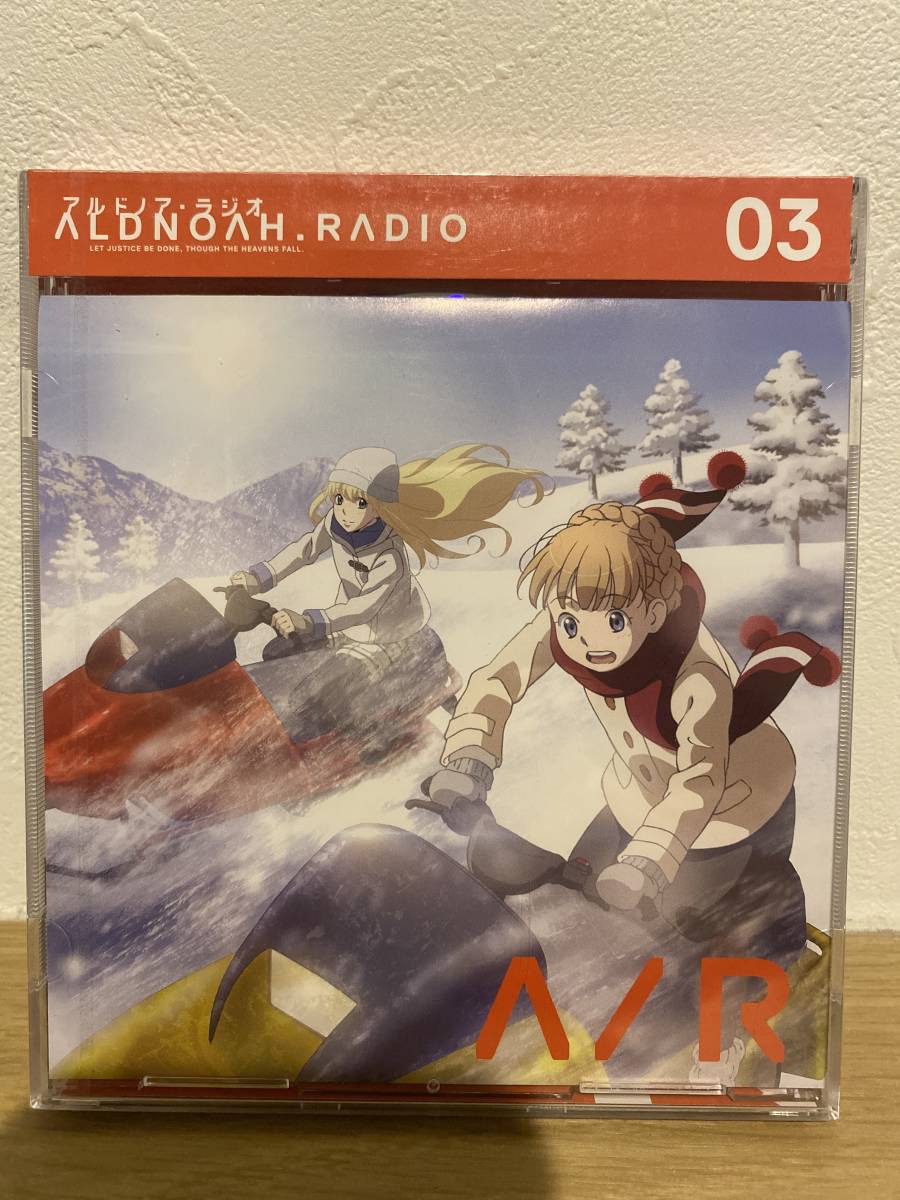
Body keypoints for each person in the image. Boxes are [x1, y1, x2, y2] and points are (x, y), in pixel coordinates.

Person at [229, 443, 546, 744]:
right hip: (349, 631)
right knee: (278, 653)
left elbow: (364, 608)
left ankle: (375, 737)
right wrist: (257, 578)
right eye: (339, 500)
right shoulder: (337, 525)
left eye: (360, 503)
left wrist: (308, 621)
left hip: (393, 639)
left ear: (381, 507)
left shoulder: (389, 556)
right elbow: (304, 549)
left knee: (320, 694)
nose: (346, 511)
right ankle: (286, 728)